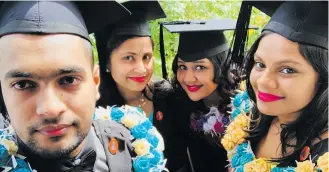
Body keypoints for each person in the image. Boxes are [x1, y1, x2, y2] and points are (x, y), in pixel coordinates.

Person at [0, 1, 166, 172]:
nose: (50, 109)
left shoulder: (134, 147)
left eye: (69, 80)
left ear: (95, 82)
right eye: (23, 84)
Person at [222, 1, 328, 171]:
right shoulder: (250, 114)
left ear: (324, 78)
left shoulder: (324, 156)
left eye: (287, 70)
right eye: (260, 64)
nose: (263, 81)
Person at [94, 2, 188, 171]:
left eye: (146, 57)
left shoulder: (168, 97)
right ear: (107, 62)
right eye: (129, 58)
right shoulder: (96, 109)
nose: (141, 68)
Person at [161, 19, 254, 172]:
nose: (188, 78)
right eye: (182, 66)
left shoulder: (246, 108)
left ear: (221, 66)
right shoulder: (178, 103)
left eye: (200, 67)